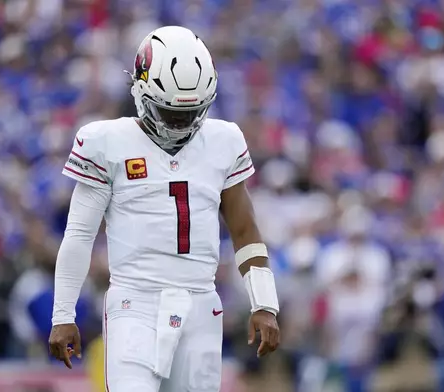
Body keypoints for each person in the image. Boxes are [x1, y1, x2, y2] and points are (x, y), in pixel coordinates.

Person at [48, 26, 280, 392]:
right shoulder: (106, 142)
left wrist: (264, 302)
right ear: (141, 92)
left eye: (191, 113)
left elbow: (245, 230)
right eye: (170, 113)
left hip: (202, 305)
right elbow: (79, 234)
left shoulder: (224, 140)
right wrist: (63, 313)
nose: (182, 124)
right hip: (134, 302)